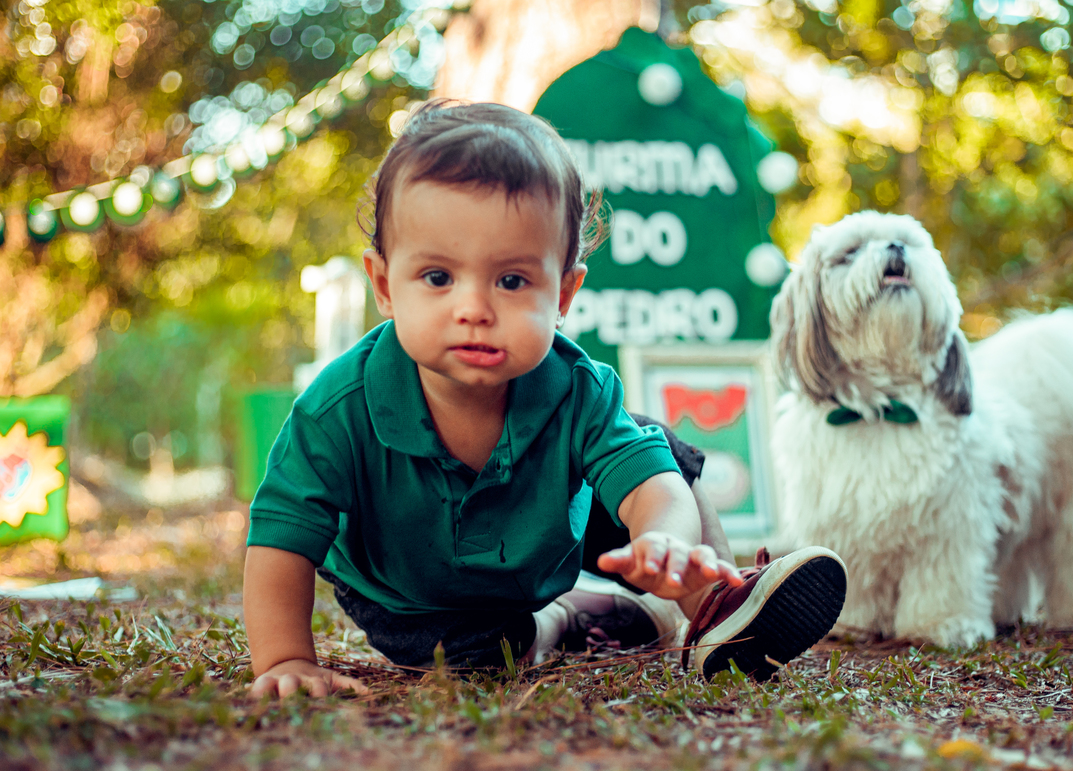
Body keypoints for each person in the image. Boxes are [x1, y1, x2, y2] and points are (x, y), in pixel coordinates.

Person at [243, 100, 847, 698]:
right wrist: (285, 657)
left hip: (554, 527)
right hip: (411, 589)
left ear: (564, 293)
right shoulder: (337, 410)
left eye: (511, 281)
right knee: (477, 661)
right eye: (438, 278)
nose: (474, 308)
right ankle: (569, 614)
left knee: (658, 453)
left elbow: (651, 489)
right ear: (384, 286)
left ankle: (715, 606)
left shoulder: (576, 387)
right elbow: (281, 536)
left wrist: (662, 539)